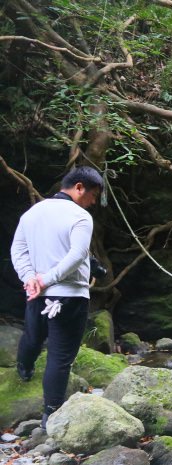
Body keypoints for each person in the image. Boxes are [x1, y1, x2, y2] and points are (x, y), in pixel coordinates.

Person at [11, 166, 103, 429]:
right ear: (79, 188)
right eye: (93, 195)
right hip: (70, 296)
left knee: (32, 335)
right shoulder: (80, 216)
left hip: (38, 293)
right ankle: (50, 414)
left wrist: (30, 278)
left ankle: (24, 367)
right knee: (60, 358)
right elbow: (76, 255)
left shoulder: (32, 213)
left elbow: (18, 250)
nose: (93, 202)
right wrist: (47, 279)